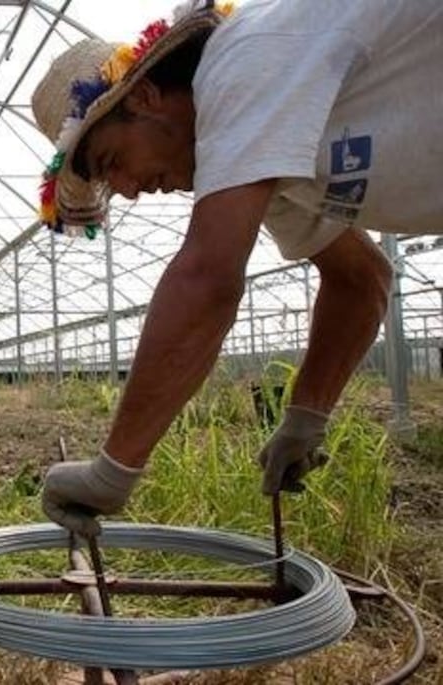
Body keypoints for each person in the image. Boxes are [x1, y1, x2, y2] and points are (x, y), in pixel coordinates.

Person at [29, 0, 443, 537]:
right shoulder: (271, 166)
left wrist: (114, 469)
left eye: (113, 163)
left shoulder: (242, 61)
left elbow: (207, 278)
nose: (129, 192)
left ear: (147, 97)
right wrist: (306, 415)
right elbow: (360, 279)